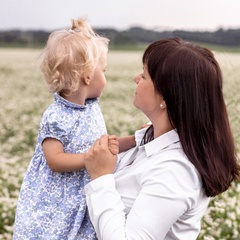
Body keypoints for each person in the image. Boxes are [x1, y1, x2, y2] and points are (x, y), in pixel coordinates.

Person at [84, 37, 240, 240]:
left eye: (145, 75)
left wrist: (101, 178)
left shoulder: (175, 171)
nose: (136, 78)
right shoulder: (153, 140)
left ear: (166, 98)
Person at [13, 17, 135, 240]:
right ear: (88, 76)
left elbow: (106, 146)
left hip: (81, 198)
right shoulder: (56, 115)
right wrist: (91, 159)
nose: (105, 77)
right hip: (57, 204)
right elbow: (54, 160)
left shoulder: (91, 109)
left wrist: (138, 138)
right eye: (104, 70)